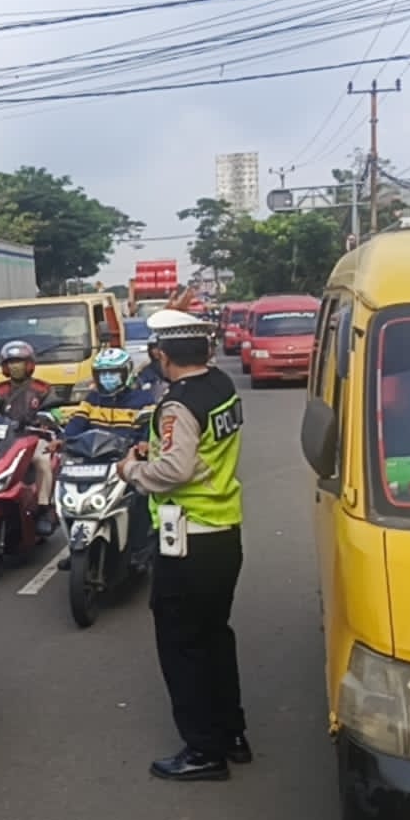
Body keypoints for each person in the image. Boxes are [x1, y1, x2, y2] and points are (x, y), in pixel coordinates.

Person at [115, 308, 249, 783]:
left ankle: (202, 750)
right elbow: (199, 451)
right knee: (215, 636)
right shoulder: (221, 388)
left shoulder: (177, 404)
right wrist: (165, 451)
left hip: (187, 539)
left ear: (161, 354)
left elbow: (175, 471)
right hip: (224, 532)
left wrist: (131, 470)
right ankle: (231, 733)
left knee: (181, 646)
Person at [58, 347, 156, 571]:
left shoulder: (142, 399)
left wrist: (144, 443)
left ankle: (140, 550)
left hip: (125, 463)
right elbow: (76, 425)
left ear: (126, 373)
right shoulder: (92, 399)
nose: (107, 378)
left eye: (113, 373)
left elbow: (149, 428)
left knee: (140, 498)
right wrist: (62, 440)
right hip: (91, 463)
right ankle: (76, 549)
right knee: (68, 497)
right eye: (102, 373)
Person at [0, 339, 57, 536]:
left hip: (34, 438)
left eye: (19, 361)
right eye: (11, 362)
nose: (15, 366)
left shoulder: (43, 388)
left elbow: (57, 412)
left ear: (29, 364)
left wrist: (44, 419)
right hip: (5, 439)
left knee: (42, 461)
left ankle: (44, 509)